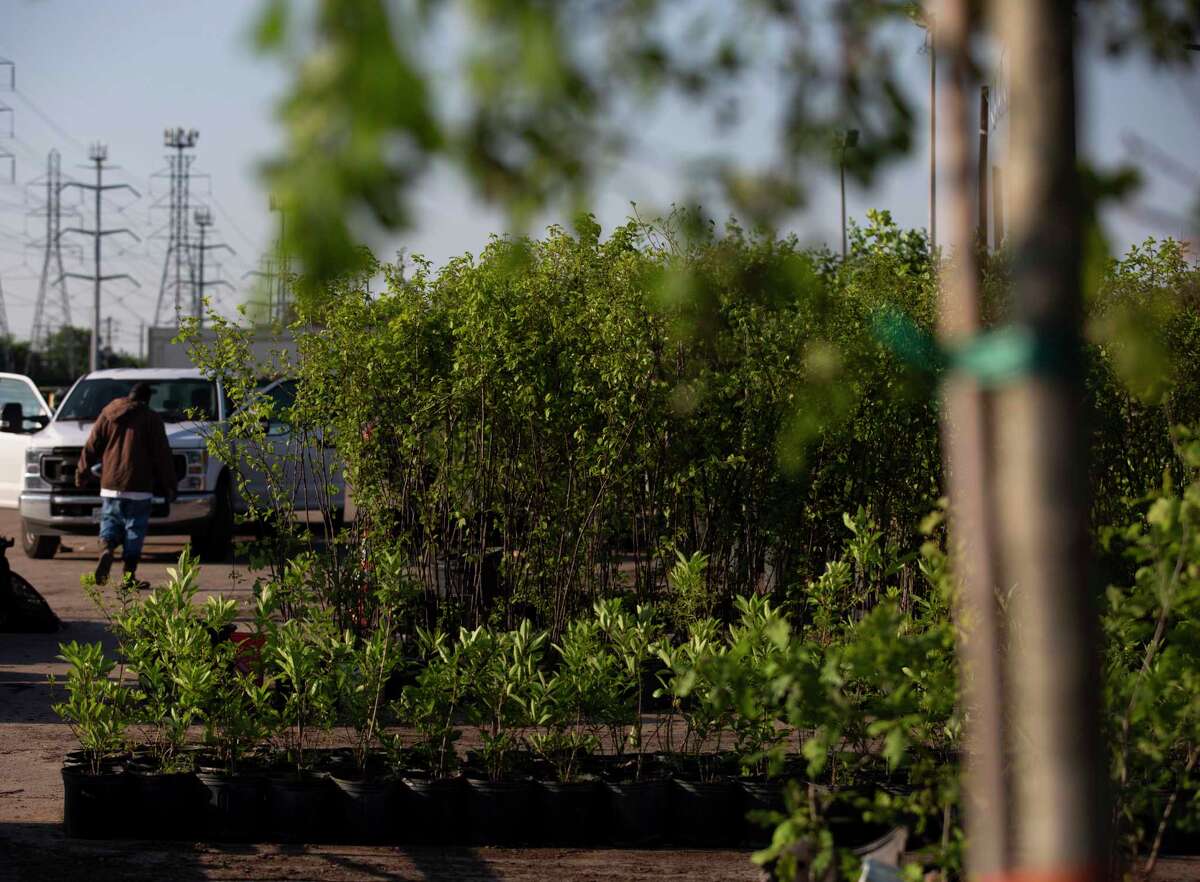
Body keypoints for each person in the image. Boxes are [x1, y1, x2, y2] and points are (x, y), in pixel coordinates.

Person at [76, 382, 177, 587]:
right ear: (147, 399)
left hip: (110, 483)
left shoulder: (108, 412)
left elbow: (91, 444)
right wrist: (170, 484)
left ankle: (106, 549)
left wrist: (82, 472)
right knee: (134, 529)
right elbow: (162, 455)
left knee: (110, 521)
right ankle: (128, 577)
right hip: (139, 485)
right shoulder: (151, 418)